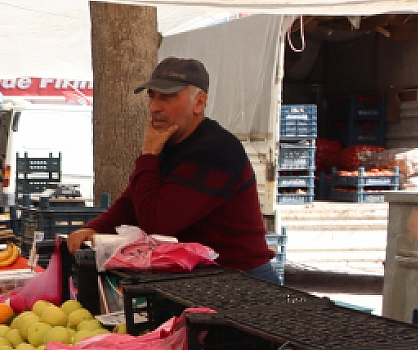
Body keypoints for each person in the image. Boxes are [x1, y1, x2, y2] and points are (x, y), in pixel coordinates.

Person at [67, 58, 275, 278]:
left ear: (199, 103)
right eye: (152, 96)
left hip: (242, 279)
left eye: (167, 97)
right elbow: (132, 203)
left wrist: (148, 155)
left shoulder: (214, 150)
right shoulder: (170, 142)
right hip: (202, 275)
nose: (154, 107)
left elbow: (157, 221)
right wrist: (93, 229)